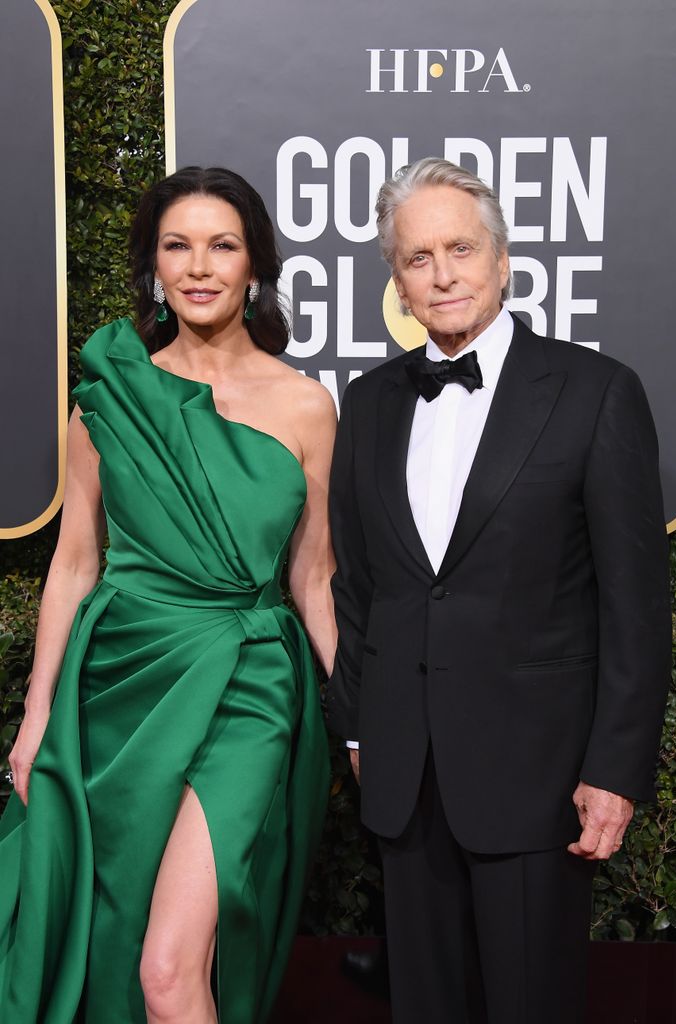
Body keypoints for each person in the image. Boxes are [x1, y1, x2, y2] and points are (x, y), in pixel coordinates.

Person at [326, 157, 671, 1024]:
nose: (442, 274)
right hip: (406, 775)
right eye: (416, 258)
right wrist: (361, 728)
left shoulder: (595, 393)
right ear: (396, 282)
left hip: (539, 775)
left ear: (503, 258)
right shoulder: (366, 406)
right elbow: (361, 585)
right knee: (424, 1006)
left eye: (460, 248)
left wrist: (615, 770)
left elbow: (635, 606)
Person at [0, 166, 337, 1023]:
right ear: (153, 266)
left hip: (249, 684)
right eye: (176, 246)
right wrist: (38, 714)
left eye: (222, 246)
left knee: (167, 968)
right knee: (111, 942)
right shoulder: (111, 398)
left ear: (255, 264)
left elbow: (314, 574)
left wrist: (366, 718)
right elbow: (75, 562)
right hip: (119, 684)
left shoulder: (305, 406)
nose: (198, 266)